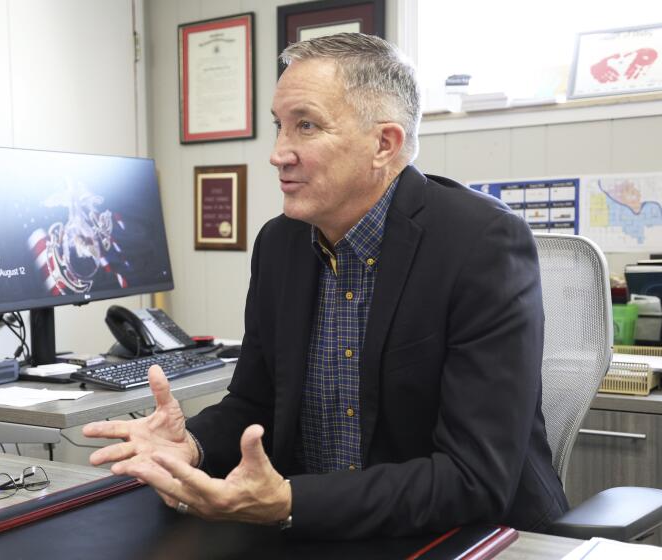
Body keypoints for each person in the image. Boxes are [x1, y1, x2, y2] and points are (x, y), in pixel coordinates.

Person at [82, 33, 569, 539]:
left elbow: (475, 477)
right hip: (318, 530)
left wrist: (288, 501)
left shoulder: (481, 242)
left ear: (385, 143)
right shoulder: (280, 244)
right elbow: (256, 405)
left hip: (469, 535)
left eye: (306, 126)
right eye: (279, 126)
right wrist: (193, 446)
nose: (278, 154)